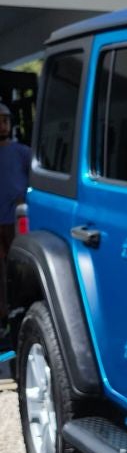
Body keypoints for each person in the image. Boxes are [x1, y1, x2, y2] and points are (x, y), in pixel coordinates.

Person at [0, 101, 33, 340]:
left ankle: (17, 314)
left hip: (15, 221)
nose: (1, 125)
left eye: (4, 120)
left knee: (18, 270)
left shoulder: (22, 152)